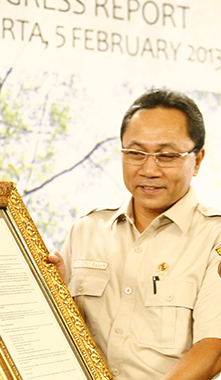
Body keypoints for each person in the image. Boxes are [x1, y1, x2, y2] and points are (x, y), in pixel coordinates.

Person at [50, 89, 221, 380]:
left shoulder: (214, 238)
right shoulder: (86, 230)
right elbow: (59, 336)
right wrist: (51, 297)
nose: (149, 169)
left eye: (167, 156)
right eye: (136, 153)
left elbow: (213, 349)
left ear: (198, 160)